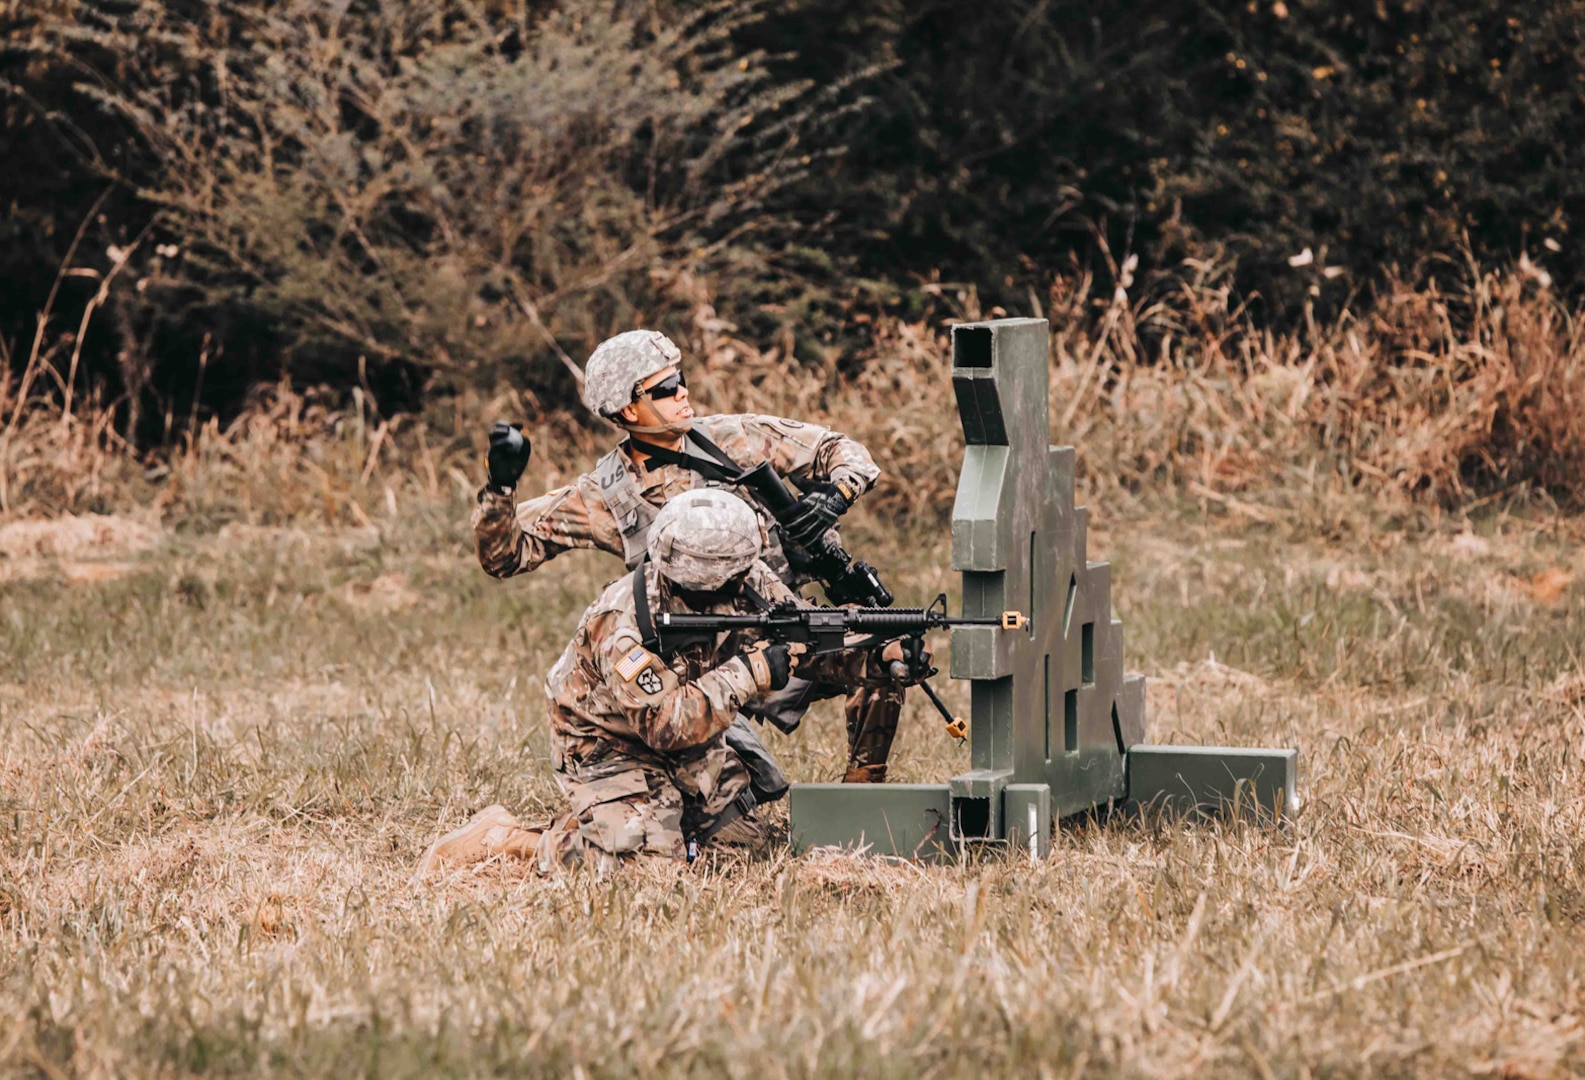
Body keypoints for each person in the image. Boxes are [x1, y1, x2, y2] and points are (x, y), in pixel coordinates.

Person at [415, 490, 926, 876]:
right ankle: (505, 839)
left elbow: (810, 647)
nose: (732, 593)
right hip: (608, 744)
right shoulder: (622, 624)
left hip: (695, 734)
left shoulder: (748, 579)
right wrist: (752, 671)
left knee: (740, 847)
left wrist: (874, 658)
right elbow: (667, 726)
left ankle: (641, 818)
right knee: (647, 869)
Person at [472, 328, 903, 784]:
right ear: (628, 408)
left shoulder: (735, 438)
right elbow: (506, 554)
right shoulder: (604, 495)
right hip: (696, 670)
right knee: (751, 793)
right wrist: (500, 488)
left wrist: (835, 496)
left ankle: (861, 793)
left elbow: (839, 450)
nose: (683, 393)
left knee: (887, 649)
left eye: (680, 379)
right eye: (664, 388)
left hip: (782, 629)